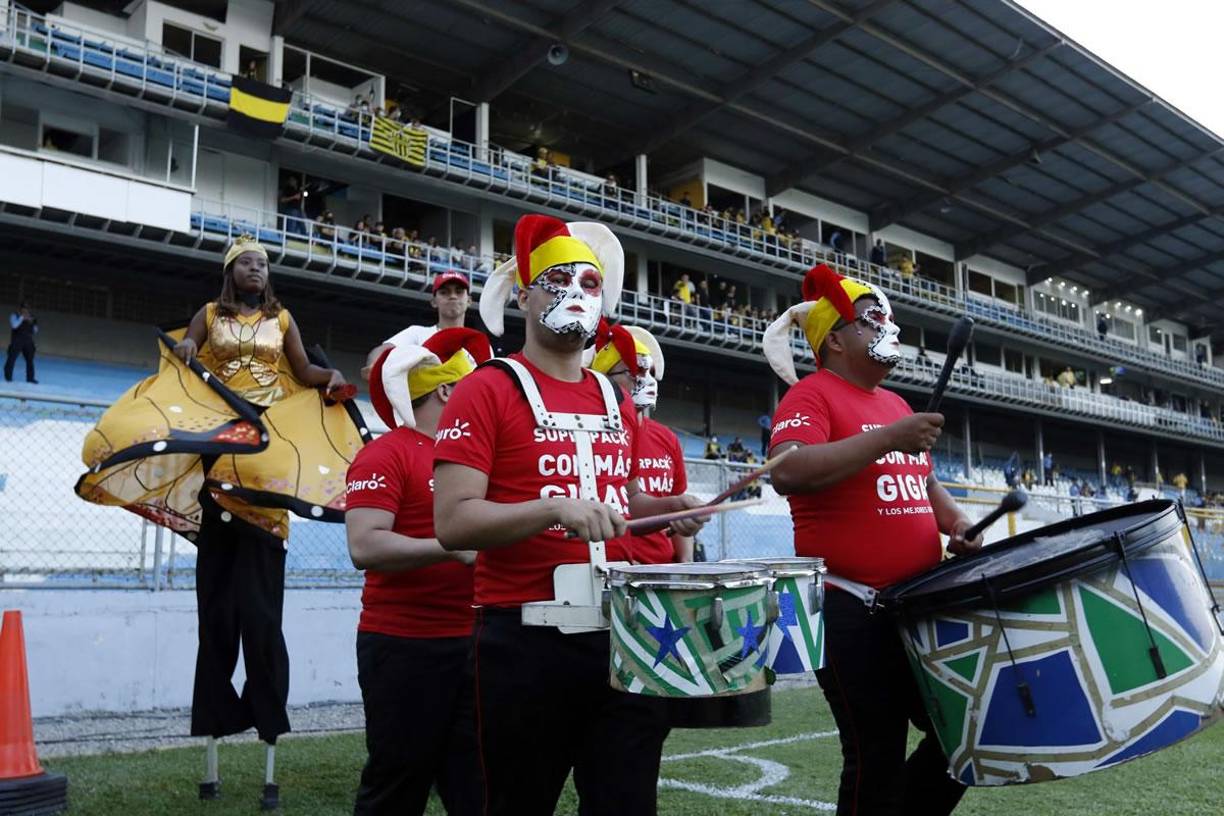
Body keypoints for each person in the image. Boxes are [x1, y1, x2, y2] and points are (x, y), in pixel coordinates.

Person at [431, 214, 707, 815]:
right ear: (523, 294)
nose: (577, 293)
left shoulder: (614, 396)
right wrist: (552, 508)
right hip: (523, 641)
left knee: (626, 805)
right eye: (559, 280)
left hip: (624, 635)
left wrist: (668, 511)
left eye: (589, 282)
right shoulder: (487, 387)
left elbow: (619, 500)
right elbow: (452, 522)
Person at [76, 236, 362, 807]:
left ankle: (268, 728)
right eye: (249, 263)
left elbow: (302, 369)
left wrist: (327, 379)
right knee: (217, 618)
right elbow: (186, 351)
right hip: (218, 452)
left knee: (261, 618)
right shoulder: (208, 315)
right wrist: (184, 350)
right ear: (232, 271)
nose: (258, 269)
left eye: (264, 264)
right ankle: (214, 721)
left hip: (268, 460)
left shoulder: (283, 318)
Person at [762, 262, 981, 816]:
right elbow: (786, 470)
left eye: (888, 316)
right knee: (874, 754)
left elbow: (924, 484)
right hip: (850, 611)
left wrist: (956, 525)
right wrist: (888, 438)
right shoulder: (810, 397)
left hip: (916, 605)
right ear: (834, 339)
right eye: (870, 318)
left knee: (967, 732)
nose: (887, 326)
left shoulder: (897, 406)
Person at [345, 329, 490, 816]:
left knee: (476, 785)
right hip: (404, 647)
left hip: (472, 642)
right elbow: (364, 544)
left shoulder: (473, 459)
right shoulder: (386, 453)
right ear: (449, 389)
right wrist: (451, 546)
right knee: (397, 783)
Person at [587, 320, 693, 562]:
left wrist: (685, 564)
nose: (646, 380)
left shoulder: (667, 438)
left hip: (662, 570)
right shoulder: (594, 432)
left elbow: (678, 513)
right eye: (633, 372)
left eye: (650, 372)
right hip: (614, 566)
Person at [362, 271, 470, 381]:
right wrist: (374, 366)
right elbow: (383, 350)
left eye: (459, 292)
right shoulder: (417, 333)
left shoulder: (481, 344)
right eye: (444, 292)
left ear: (469, 300)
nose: (452, 296)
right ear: (434, 302)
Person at [5, 302, 38, 384]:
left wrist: (32, 323)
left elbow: (35, 331)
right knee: (11, 359)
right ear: (20, 309)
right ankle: (8, 378)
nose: (25, 310)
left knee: (30, 360)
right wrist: (22, 318)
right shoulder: (14, 315)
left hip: (28, 341)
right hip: (17, 341)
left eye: (27, 309)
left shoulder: (31, 317)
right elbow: (14, 326)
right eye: (24, 308)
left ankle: (30, 378)